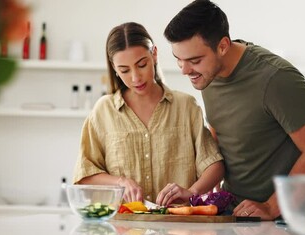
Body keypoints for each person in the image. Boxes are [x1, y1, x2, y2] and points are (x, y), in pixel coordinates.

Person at [164, 0, 305, 220]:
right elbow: (220, 135)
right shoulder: (208, 74)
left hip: (287, 219)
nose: (185, 70)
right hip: (235, 214)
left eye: (194, 60)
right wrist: (199, 192)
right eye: (179, 60)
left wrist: (272, 207)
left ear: (223, 46)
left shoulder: (276, 78)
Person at [73, 22, 224, 207]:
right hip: (124, 231)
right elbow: (85, 176)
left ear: (154, 54)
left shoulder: (186, 106)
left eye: (141, 64)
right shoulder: (103, 111)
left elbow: (214, 165)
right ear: (114, 68)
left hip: (177, 230)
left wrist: (191, 192)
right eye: (125, 70)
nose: (136, 78)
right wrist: (120, 182)